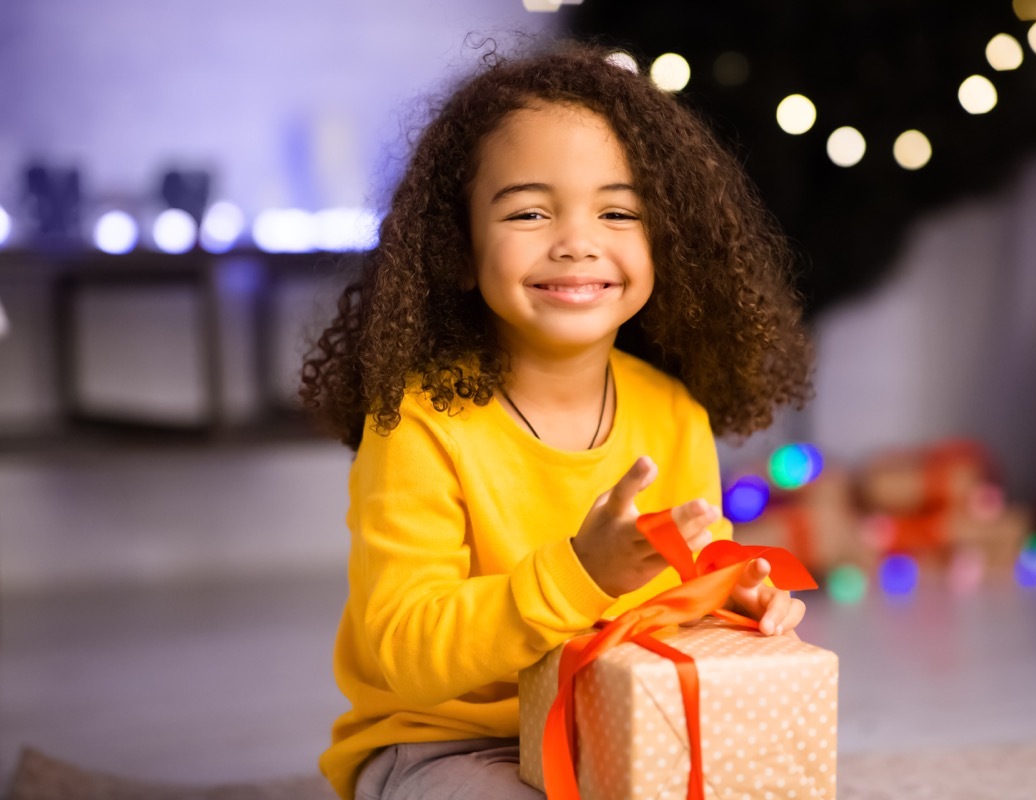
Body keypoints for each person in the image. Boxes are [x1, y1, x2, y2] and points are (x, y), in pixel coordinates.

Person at [300, 40, 814, 800]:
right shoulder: (418, 424)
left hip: (617, 720)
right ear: (458, 246)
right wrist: (581, 573)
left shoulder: (672, 411)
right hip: (452, 746)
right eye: (531, 212)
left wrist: (729, 601)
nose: (577, 242)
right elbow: (405, 649)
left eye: (617, 211)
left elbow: (680, 590)